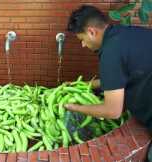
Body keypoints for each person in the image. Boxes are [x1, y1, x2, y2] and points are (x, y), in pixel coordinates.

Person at [65, 4, 152, 161]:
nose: (83, 45)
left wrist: (74, 107)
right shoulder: (127, 33)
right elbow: (121, 76)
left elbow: (113, 111)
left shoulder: (111, 53)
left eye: (82, 39)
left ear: (91, 31)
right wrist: (87, 85)